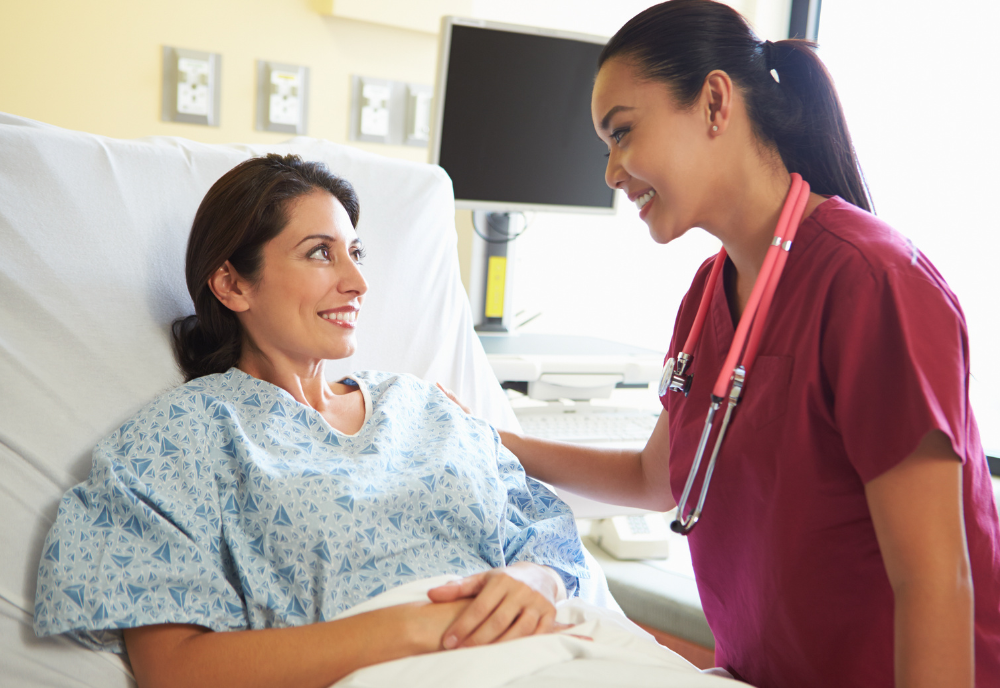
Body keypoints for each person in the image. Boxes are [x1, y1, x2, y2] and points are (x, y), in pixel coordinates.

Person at [437, 1, 1000, 686]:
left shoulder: (872, 281)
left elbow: (935, 582)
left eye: (622, 133)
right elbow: (657, 478)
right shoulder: (710, 292)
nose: (611, 173)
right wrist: (493, 440)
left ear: (712, 102)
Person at [32, 154, 590, 688]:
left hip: (562, 651)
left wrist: (536, 580)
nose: (357, 282)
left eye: (355, 252)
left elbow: (547, 533)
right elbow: (176, 671)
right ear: (232, 284)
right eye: (321, 253)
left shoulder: (425, 406)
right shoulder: (179, 440)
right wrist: (416, 625)